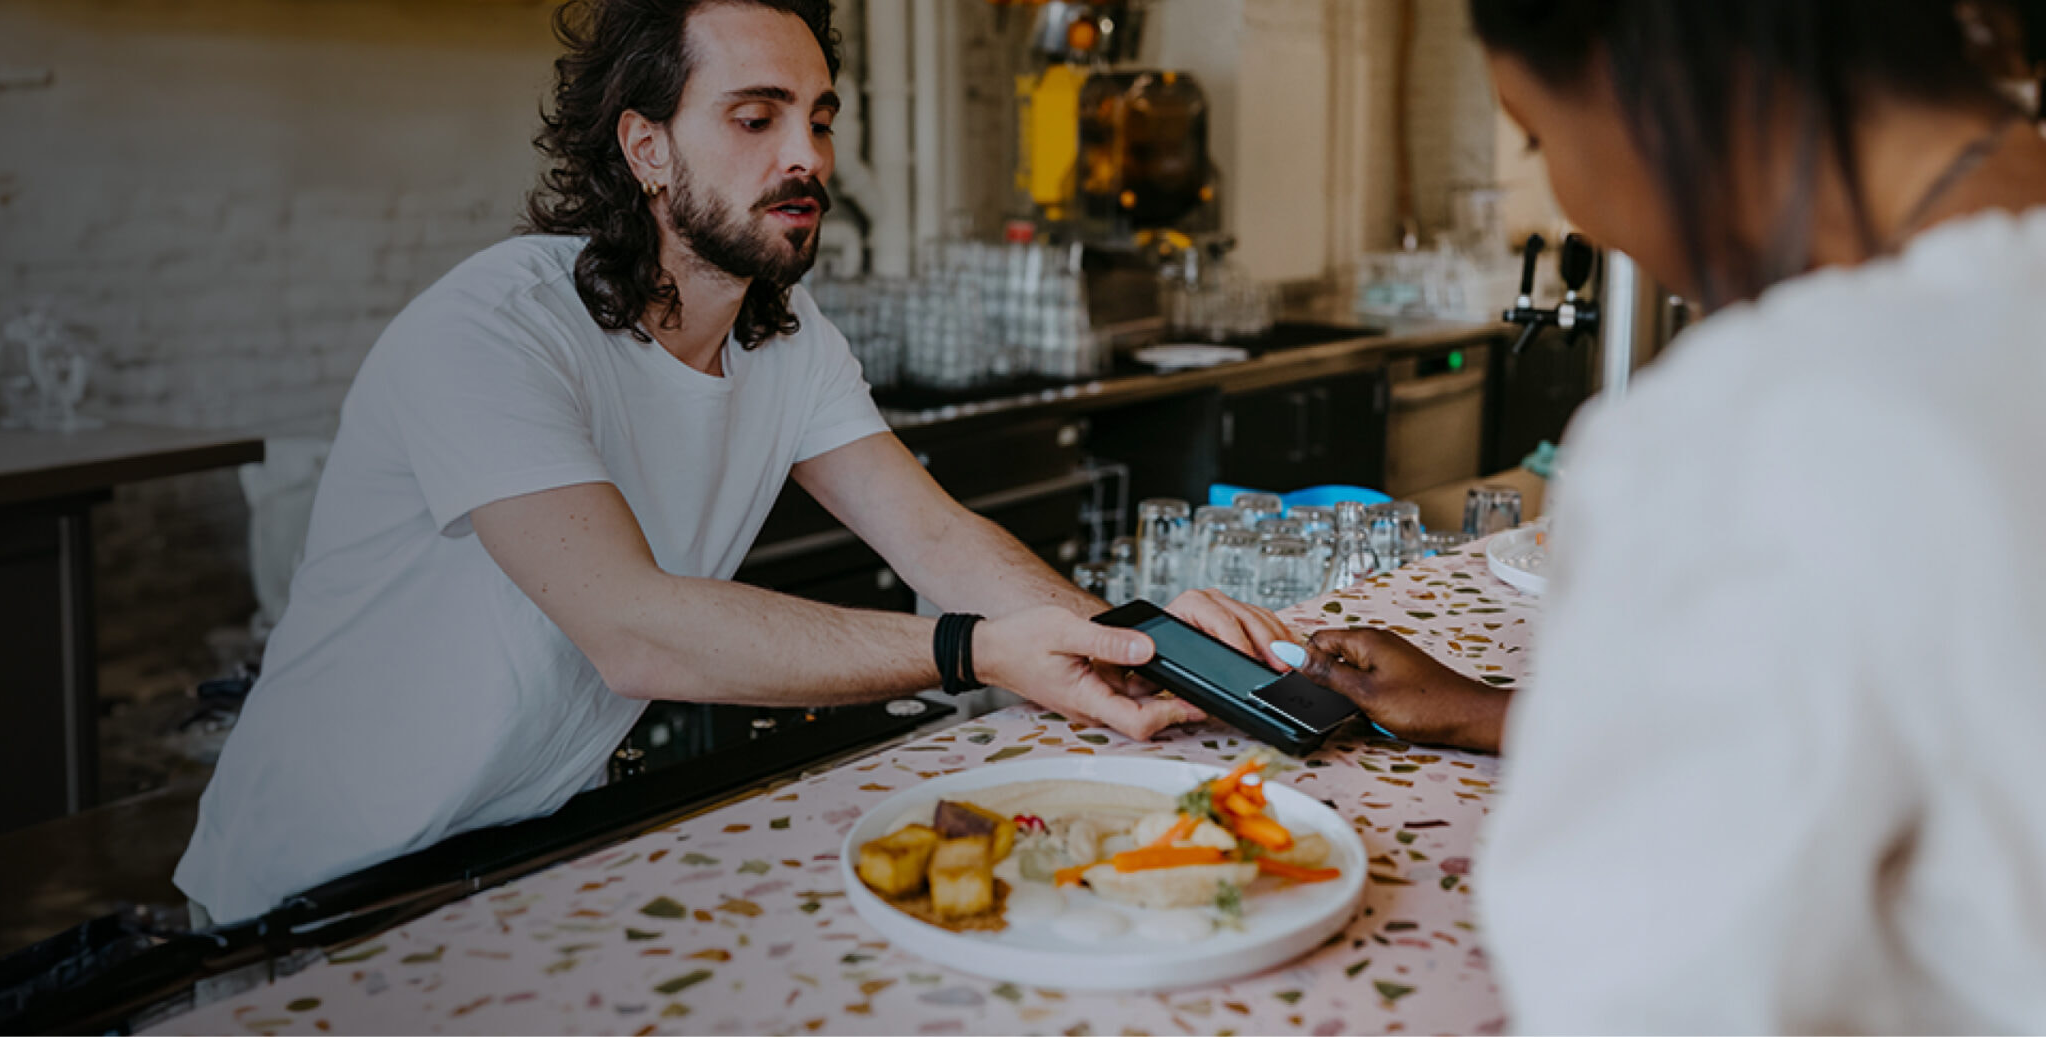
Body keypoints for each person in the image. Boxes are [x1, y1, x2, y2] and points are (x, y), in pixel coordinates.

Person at [172, 0, 1289, 925]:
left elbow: (936, 536)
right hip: (310, 892)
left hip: (521, 855)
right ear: (645, 144)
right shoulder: (493, 330)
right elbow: (634, 630)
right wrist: (978, 650)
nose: (806, 156)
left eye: (818, 117)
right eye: (754, 118)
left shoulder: (787, 341)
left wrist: (1120, 648)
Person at [1222, 0, 2046, 1030]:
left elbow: (1644, 989)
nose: (1585, 212)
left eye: (1536, 132)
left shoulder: (1761, 426)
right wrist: (1494, 709)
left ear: (1638, 72)